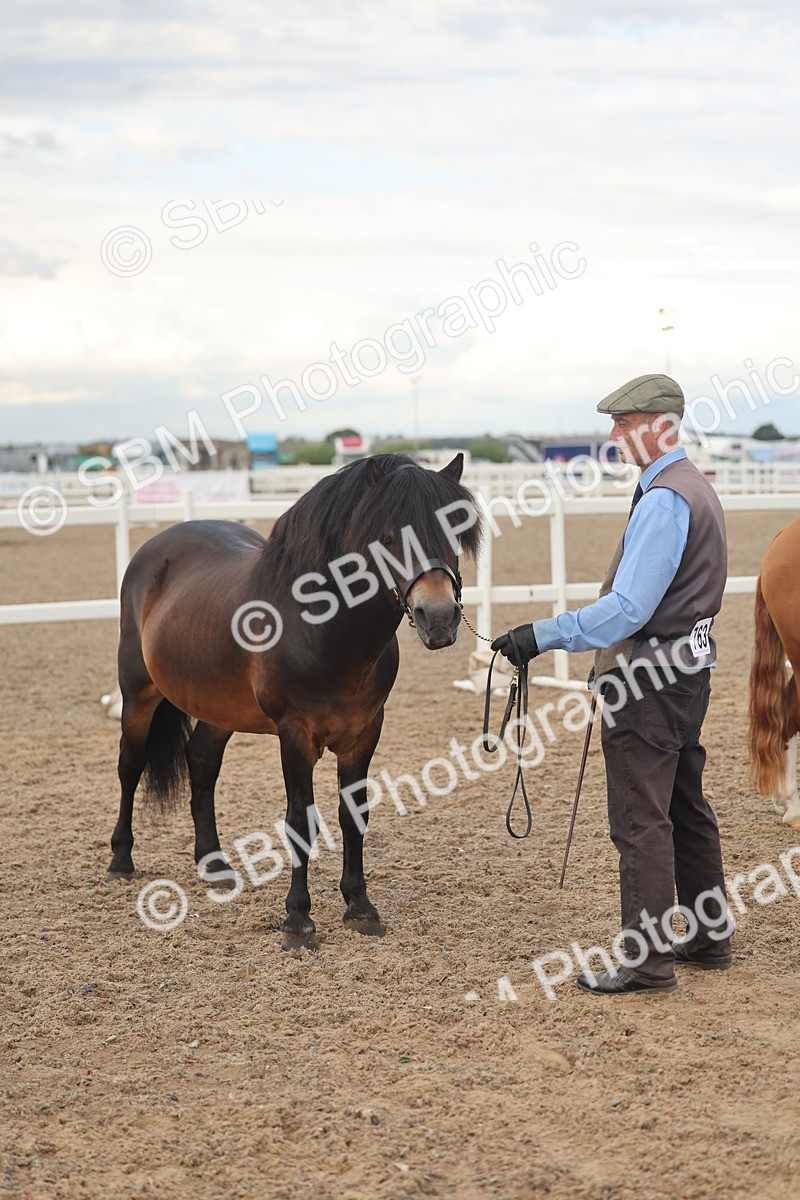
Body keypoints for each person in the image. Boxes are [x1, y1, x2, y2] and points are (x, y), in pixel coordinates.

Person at [492, 374, 733, 995]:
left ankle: (647, 961)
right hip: (689, 671)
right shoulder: (695, 488)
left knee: (639, 819)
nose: (613, 435)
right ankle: (708, 936)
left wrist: (542, 635)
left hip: (648, 679)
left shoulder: (663, 500)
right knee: (684, 805)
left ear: (657, 425)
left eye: (622, 423)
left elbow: (629, 608)